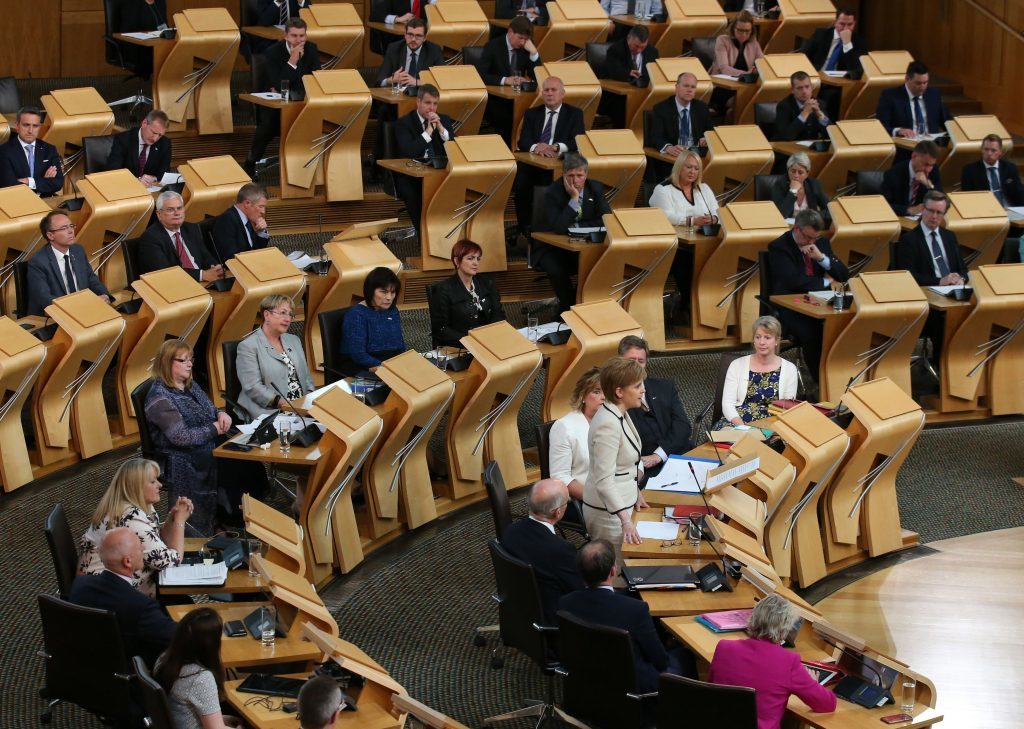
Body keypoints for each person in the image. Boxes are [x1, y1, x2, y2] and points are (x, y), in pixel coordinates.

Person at [558, 540, 696, 694]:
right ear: (612, 571)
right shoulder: (636, 610)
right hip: (632, 684)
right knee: (685, 655)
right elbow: (660, 660)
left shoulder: (565, 603)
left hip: (586, 675)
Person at [708, 594, 837, 728]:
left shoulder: (724, 647)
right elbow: (827, 704)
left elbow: (710, 689)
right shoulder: (789, 662)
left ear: (753, 618)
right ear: (785, 630)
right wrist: (814, 684)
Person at [145, 340, 232, 537]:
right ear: (167, 362)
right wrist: (214, 429)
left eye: (190, 359)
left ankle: (219, 520)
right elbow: (180, 437)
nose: (190, 364)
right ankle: (199, 532)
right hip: (180, 457)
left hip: (203, 444)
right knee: (228, 462)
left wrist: (220, 414)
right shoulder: (159, 398)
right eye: (183, 360)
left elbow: (210, 410)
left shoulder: (189, 385)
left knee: (238, 459)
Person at [77, 457, 188, 597]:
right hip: (107, 596)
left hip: (102, 587)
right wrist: (180, 522)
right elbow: (170, 562)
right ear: (136, 486)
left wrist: (172, 517)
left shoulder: (135, 506)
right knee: (181, 603)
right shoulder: (130, 516)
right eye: (153, 481)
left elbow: (158, 542)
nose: (160, 485)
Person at [69, 527, 178, 668]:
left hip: (81, 666)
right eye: (140, 547)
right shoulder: (141, 606)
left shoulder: (80, 584)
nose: (144, 548)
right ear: (127, 561)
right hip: (127, 673)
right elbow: (176, 636)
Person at [767, 209, 850, 378]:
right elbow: (794, 280)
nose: (812, 241)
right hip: (789, 305)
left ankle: (837, 374)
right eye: (808, 237)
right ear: (797, 229)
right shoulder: (779, 246)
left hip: (819, 302)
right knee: (814, 332)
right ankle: (820, 380)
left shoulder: (821, 243)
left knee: (845, 326)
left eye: (815, 238)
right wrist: (827, 282)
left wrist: (821, 258)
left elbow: (843, 275)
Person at [893, 191, 967, 367]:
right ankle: (943, 370)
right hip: (927, 304)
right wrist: (939, 281)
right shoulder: (909, 240)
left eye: (939, 213)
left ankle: (961, 368)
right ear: (923, 210)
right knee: (946, 322)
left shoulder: (950, 237)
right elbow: (907, 277)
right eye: (930, 211)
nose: (934, 216)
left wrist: (960, 278)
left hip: (953, 297)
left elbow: (962, 268)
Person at [244, 19, 321, 178]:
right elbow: (278, 85)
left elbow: (315, 79)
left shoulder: (311, 49)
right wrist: (292, 61)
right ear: (285, 35)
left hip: (302, 102)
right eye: (294, 36)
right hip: (275, 105)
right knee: (268, 124)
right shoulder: (273, 52)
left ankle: (309, 168)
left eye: (302, 36)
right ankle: (251, 162)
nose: (299, 40)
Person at [501, 479, 585, 624]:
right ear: (558, 512)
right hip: (554, 619)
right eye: (567, 502)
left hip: (520, 610)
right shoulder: (561, 550)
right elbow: (579, 590)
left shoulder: (510, 532)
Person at [583, 357, 646, 548]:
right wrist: (625, 520)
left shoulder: (618, 412)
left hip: (623, 505)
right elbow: (603, 481)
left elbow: (624, 466)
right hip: (608, 515)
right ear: (619, 392)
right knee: (617, 571)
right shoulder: (607, 425)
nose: (643, 390)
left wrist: (634, 491)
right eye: (637, 386)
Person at [535, 153, 612, 312]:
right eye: (570, 176)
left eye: (579, 175)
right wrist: (574, 199)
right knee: (556, 270)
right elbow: (559, 228)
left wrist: (577, 225)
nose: (575, 180)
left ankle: (582, 305)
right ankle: (568, 308)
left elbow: (606, 219)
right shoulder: (552, 192)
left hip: (586, 245)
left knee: (597, 264)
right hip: (552, 248)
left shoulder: (595, 188)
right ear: (563, 175)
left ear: (586, 175)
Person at [514, 77, 586, 235]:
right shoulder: (532, 113)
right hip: (534, 162)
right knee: (521, 182)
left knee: (551, 183)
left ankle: (547, 226)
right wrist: (537, 147)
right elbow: (523, 140)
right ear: (541, 94)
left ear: (562, 94)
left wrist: (556, 147)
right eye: (546, 90)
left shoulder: (575, 114)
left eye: (554, 90)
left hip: (560, 163)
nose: (550, 93)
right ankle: (525, 227)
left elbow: (577, 140)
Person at [649, 150, 718, 311]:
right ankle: (688, 307)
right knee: (686, 263)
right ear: (679, 167)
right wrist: (692, 220)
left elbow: (717, 211)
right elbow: (665, 216)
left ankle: (704, 308)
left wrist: (712, 219)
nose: (692, 172)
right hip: (676, 247)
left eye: (696, 168)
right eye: (689, 167)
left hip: (704, 243)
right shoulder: (663, 189)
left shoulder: (703, 188)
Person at [154, 607, 244, 729]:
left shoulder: (164, 658)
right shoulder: (200, 678)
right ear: (210, 644)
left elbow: (183, 709)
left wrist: (220, 718)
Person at [619, 336, 693, 478]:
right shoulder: (616, 397)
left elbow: (683, 426)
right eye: (630, 361)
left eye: (640, 361)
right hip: (644, 468)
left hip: (678, 453)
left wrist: (659, 455)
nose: (636, 366)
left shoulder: (665, 387)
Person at [237, 294, 315, 419]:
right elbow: (253, 387)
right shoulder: (248, 346)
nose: (288, 319)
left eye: (290, 314)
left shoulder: (294, 340)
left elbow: (306, 377)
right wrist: (285, 405)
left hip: (301, 407)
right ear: (267, 315)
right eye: (283, 313)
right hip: (271, 411)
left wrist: (309, 399)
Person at [393, 84, 456, 231]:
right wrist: (428, 132)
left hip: (439, 173)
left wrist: (440, 129)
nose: (432, 108)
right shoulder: (404, 123)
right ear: (418, 102)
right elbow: (409, 152)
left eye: (435, 104)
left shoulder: (444, 121)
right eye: (428, 103)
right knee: (412, 194)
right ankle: (423, 236)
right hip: (412, 176)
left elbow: (454, 148)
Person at [26, 210, 112, 316]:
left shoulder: (78, 251)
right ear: (50, 235)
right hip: (55, 316)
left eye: (71, 226)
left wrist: (103, 294)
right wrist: (76, 307)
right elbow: (45, 297)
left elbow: (91, 278)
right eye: (64, 228)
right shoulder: (38, 261)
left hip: (83, 310)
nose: (71, 231)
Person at [721, 316, 799, 426]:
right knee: (725, 440)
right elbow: (727, 404)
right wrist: (742, 427)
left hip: (772, 423)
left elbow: (786, 408)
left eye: (767, 338)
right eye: (758, 337)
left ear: (776, 340)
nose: (761, 342)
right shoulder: (736, 365)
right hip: (738, 421)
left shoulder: (790, 369)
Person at [429, 239, 505, 348]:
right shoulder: (443, 290)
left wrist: (491, 335)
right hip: (461, 345)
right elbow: (440, 328)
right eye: (470, 258)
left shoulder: (487, 282)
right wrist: (469, 341)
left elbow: (498, 313)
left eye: (478, 259)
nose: (476, 263)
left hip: (489, 341)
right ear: (456, 261)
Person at [476, 17, 540, 142]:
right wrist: (505, 80)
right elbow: (480, 75)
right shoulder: (493, 46)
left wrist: (534, 53)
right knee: (508, 118)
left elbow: (537, 76)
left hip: (518, 98)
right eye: (520, 38)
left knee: (535, 114)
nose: (522, 42)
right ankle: (508, 149)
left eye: (526, 39)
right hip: (495, 100)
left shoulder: (526, 48)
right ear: (510, 32)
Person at [138, 191, 224, 282]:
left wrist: (215, 268)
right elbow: (165, 272)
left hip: (204, 282)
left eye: (179, 208)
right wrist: (202, 275)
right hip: (174, 287)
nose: (177, 213)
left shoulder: (191, 229)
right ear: (159, 214)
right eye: (170, 210)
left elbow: (206, 257)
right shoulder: (151, 238)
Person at [799, 7, 866, 119]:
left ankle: (827, 128)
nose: (845, 28)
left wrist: (847, 45)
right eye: (842, 24)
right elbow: (803, 57)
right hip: (813, 79)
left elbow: (856, 70)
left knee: (834, 97)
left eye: (850, 25)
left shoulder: (859, 42)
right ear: (835, 22)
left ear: (854, 24)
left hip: (835, 85)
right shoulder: (821, 34)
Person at [645, 72, 713, 180]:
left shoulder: (702, 108)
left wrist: (706, 138)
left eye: (693, 87)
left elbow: (711, 132)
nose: (689, 90)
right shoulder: (661, 108)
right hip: (673, 158)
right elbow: (655, 137)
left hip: (697, 155)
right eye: (686, 86)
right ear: (676, 87)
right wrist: (668, 148)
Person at [548, 367, 604, 501]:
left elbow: (635, 460)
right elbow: (560, 477)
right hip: (584, 500)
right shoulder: (564, 427)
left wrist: (632, 487)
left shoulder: (616, 420)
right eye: (597, 392)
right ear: (583, 396)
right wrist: (594, 500)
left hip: (620, 494)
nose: (604, 397)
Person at [341, 266, 407, 371]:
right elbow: (359, 355)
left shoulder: (393, 311)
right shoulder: (356, 314)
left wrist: (406, 362)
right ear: (371, 291)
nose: (389, 297)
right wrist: (388, 368)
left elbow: (400, 345)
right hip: (366, 369)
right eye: (384, 292)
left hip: (391, 366)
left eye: (393, 292)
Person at [875, 61, 950, 139]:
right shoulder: (890, 96)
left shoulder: (933, 94)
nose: (922, 87)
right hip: (905, 146)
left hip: (931, 146)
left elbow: (947, 121)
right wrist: (899, 130)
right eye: (918, 83)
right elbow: (880, 126)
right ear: (907, 79)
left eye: (925, 82)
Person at [0, 107, 64, 197]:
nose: (30, 131)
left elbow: (58, 183)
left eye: (35, 126)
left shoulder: (49, 149)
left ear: (39, 127)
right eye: (26, 125)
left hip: (45, 201)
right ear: (17, 126)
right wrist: (42, 182)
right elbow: (11, 186)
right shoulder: (4, 152)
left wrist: (29, 181)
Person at [710, 12, 763, 116]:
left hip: (744, 86)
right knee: (740, 102)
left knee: (754, 98)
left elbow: (763, 63)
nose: (743, 34)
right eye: (740, 30)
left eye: (747, 31)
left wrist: (758, 70)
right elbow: (724, 68)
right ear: (733, 28)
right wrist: (746, 73)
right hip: (722, 86)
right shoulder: (722, 40)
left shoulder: (754, 43)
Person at [107, 109, 172, 186]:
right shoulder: (123, 139)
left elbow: (164, 172)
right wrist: (136, 181)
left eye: (160, 135)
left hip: (150, 189)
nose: (155, 139)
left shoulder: (165, 143)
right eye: (154, 132)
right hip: (125, 186)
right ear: (144, 123)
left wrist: (153, 178)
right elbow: (114, 170)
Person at [375, 18, 443, 90]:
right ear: (405, 35)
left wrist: (417, 82)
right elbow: (379, 81)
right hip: (398, 96)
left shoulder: (434, 50)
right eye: (410, 34)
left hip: (421, 96)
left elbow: (442, 80)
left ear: (425, 38)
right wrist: (392, 80)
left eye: (418, 36)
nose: (413, 39)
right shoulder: (394, 48)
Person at [881, 139, 943, 217]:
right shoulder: (893, 174)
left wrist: (929, 185)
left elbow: (943, 202)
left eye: (931, 165)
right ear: (914, 156)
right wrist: (909, 210)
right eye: (926, 164)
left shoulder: (933, 171)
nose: (928, 169)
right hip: (900, 219)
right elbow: (884, 206)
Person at [210, 183, 271, 260]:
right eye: (260, 206)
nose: (263, 212)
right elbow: (230, 258)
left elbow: (256, 250)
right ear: (247, 203)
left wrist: (261, 232)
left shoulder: (246, 217)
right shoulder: (227, 220)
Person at [961, 133, 1023, 208]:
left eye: (993, 150)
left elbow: (1019, 193)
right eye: (986, 149)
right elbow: (968, 199)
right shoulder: (970, 170)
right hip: (986, 210)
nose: (989, 153)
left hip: (1010, 208)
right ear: (981, 150)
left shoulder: (1009, 168)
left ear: (1000, 152)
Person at [769, 152, 832, 226]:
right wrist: (793, 191)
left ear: (807, 173)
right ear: (788, 170)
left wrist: (811, 217)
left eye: (800, 172)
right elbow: (781, 214)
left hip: (808, 227)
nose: (796, 175)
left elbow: (830, 210)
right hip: (786, 227)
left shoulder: (813, 185)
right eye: (793, 171)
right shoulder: (779, 185)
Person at [772, 71, 831, 142]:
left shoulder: (820, 103)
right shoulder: (784, 106)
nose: (804, 91)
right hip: (790, 148)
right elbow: (786, 136)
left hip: (812, 149)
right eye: (799, 88)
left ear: (811, 87)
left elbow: (831, 135)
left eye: (807, 86)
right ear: (792, 90)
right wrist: (805, 113)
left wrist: (820, 114)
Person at [116, 0, 168, 76]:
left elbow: (164, 26)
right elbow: (130, 29)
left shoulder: (160, 2)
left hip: (156, 42)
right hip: (134, 44)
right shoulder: (131, 3)